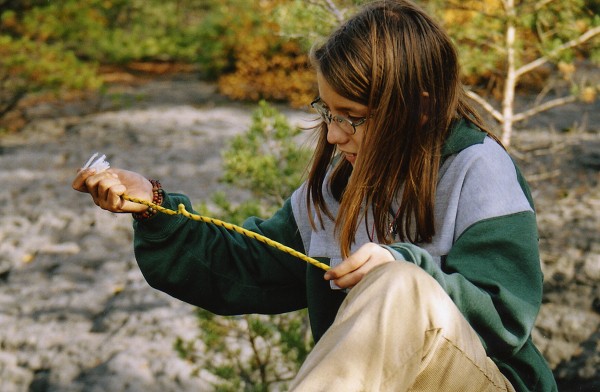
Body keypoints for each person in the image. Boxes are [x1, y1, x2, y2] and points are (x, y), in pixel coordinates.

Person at [72, 1, 558, 390]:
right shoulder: (332, 192)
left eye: (351, 116)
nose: (331, 135)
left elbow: (506, 316)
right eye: (326, 111)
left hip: (488, 380)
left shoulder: (480, 169)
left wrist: (405, 267)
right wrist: (155, 207)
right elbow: (246, 268)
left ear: (419, 110)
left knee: (399, 284)